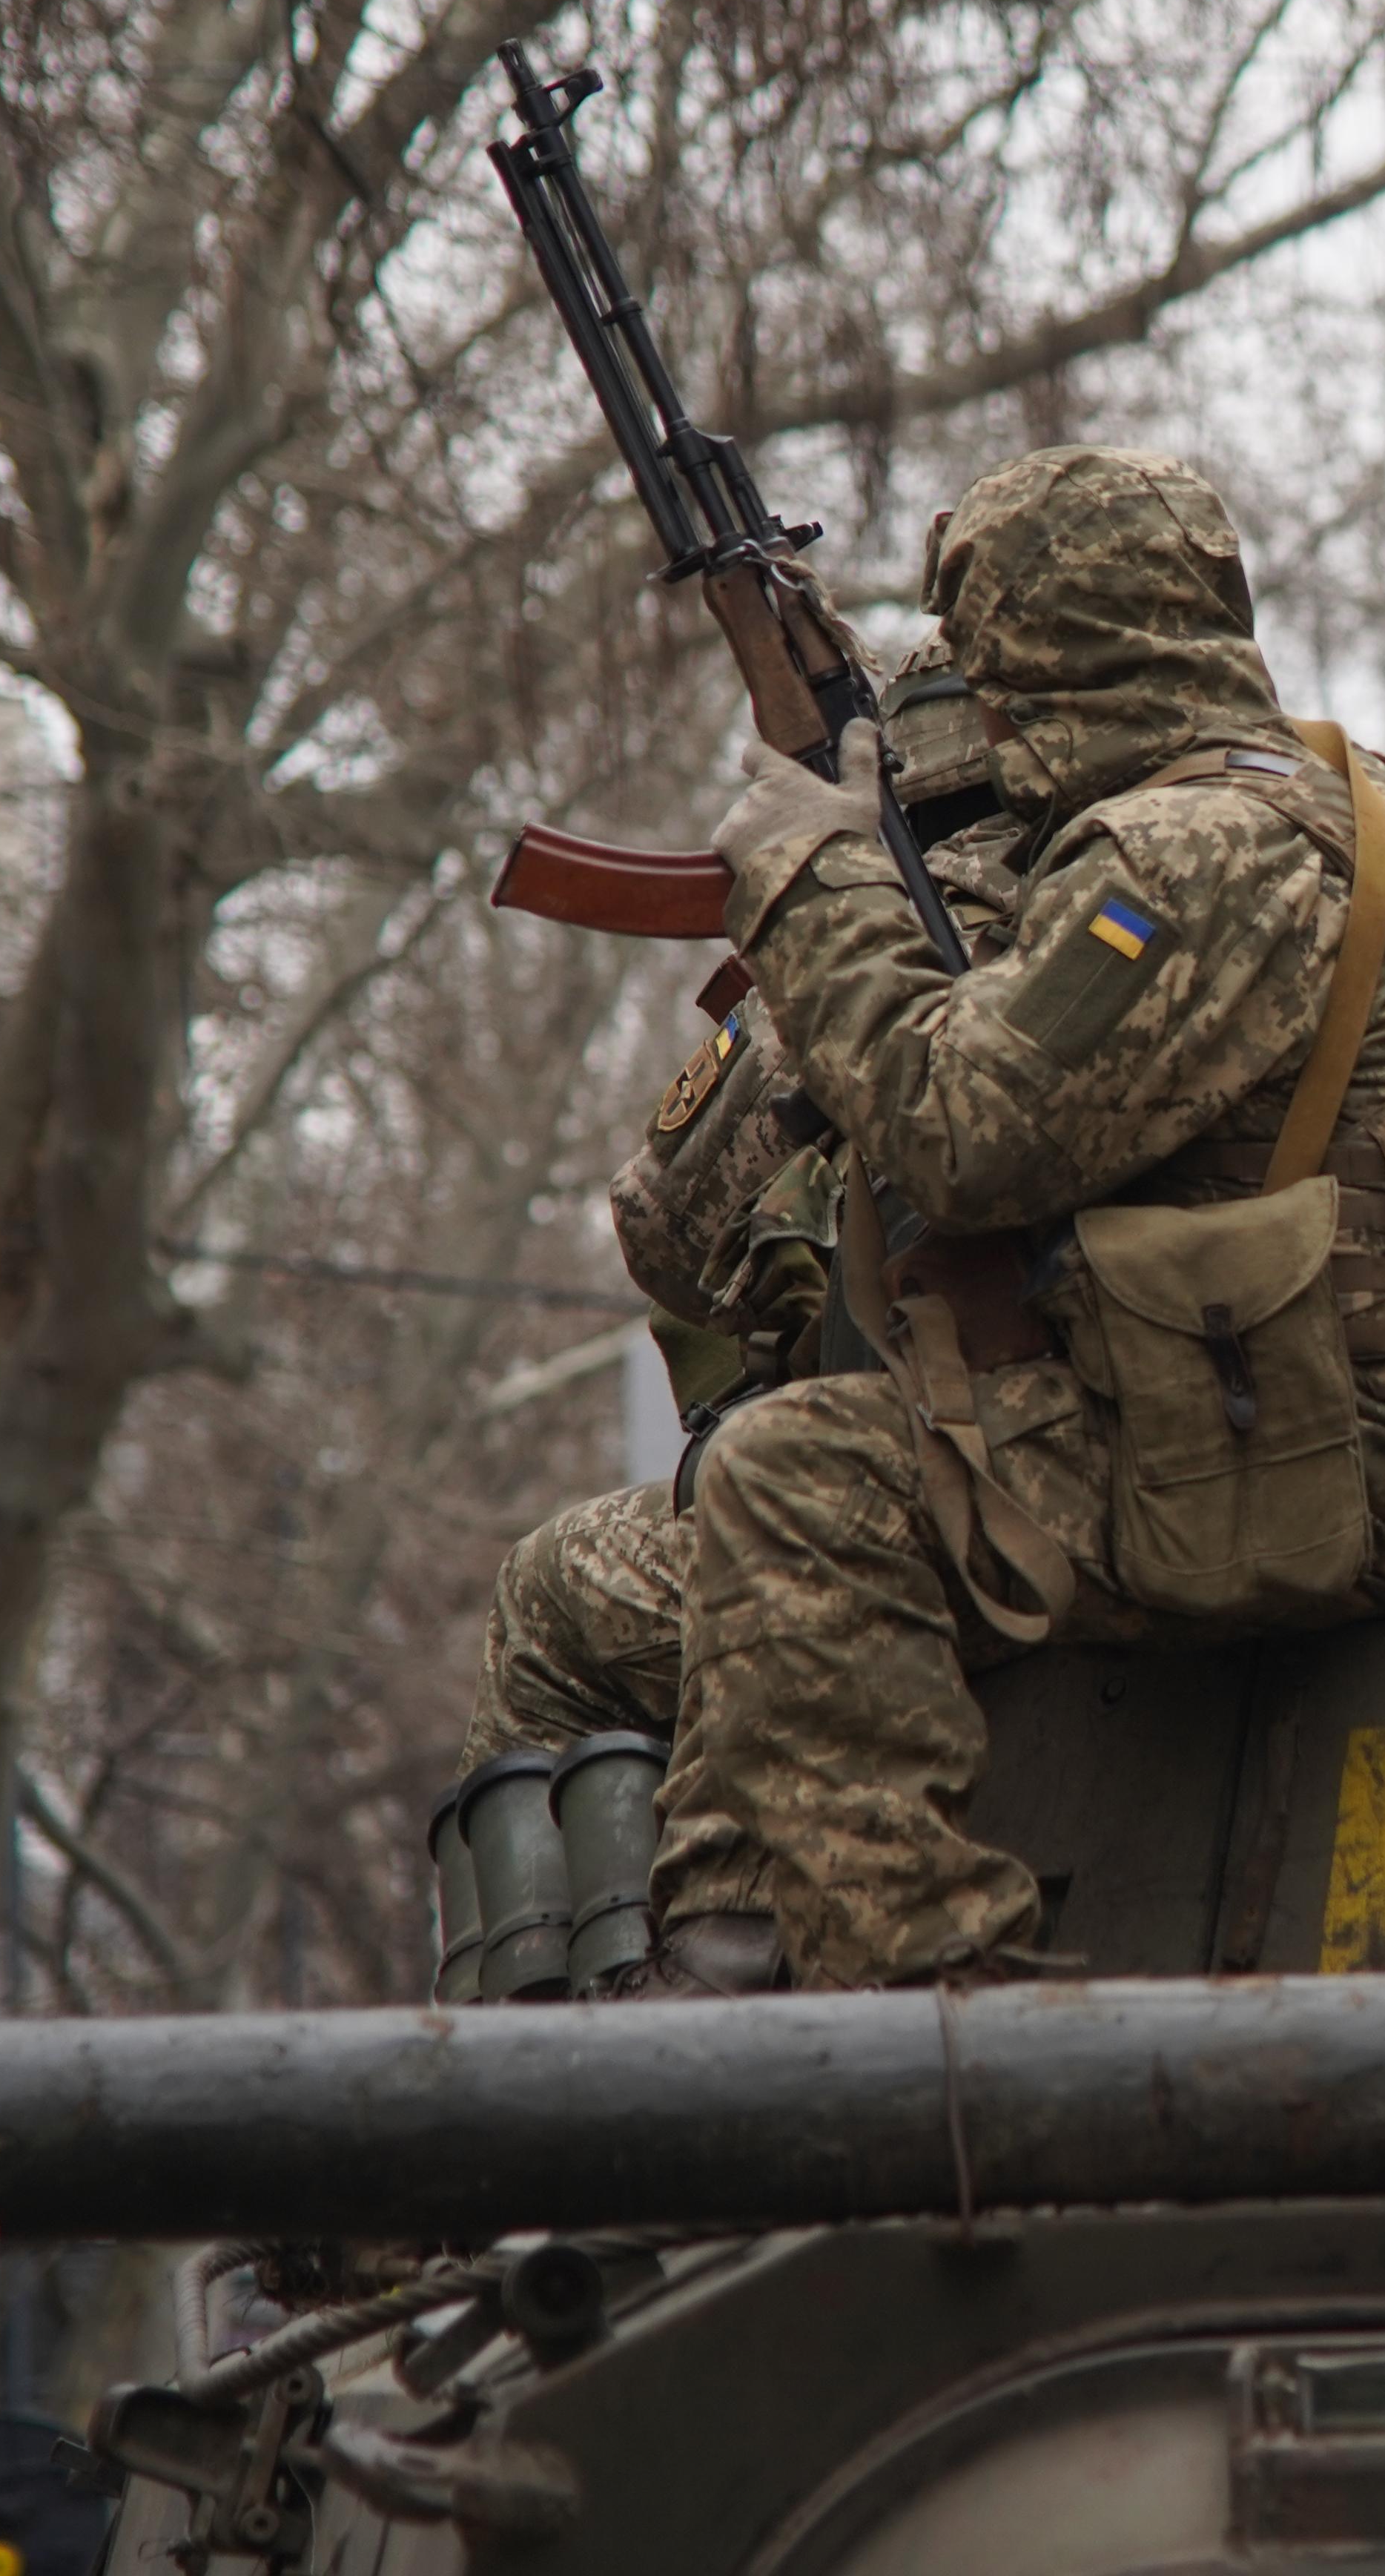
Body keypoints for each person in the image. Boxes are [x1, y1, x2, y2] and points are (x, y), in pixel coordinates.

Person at [641, 444, 1385, 1992]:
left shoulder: (1183, 858)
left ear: (1027, 656)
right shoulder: (1383, 803)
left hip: (1336, 1466)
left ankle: (935, 2005)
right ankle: (729, 1932)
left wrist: (811, 877)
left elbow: (961, 1141)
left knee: (799, 1477)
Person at [452, 654, 1025, 1938]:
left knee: (551, 1595)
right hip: (1142, 1449)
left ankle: (580, 2001)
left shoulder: (864, 954)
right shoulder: (1143, 900)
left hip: (926, 1497)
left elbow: (659, 1231)